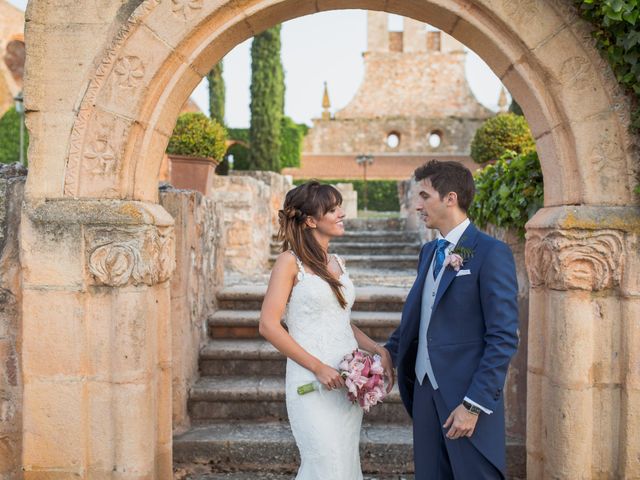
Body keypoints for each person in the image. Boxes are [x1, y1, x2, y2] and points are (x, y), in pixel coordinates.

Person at [384, 160, 519, 479]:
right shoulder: (430, 252)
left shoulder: (491, 252)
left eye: (424, 196)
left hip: (465, 395)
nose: (417, 205)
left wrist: (474, 404)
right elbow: (420, 316)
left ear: (450, 198)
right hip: (424, 389)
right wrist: (386, 353)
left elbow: (502, 336)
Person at [259, 181, 394, 480]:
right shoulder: (289, 262)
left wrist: (377, 349)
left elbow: (340, 319)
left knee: (344, 464)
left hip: (348, 382)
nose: (341, 213)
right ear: (310, 220)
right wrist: (318, 367)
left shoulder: (338, 263)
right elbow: (268, 325)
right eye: (332, 209)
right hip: (312, 381)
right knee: (325, 465)